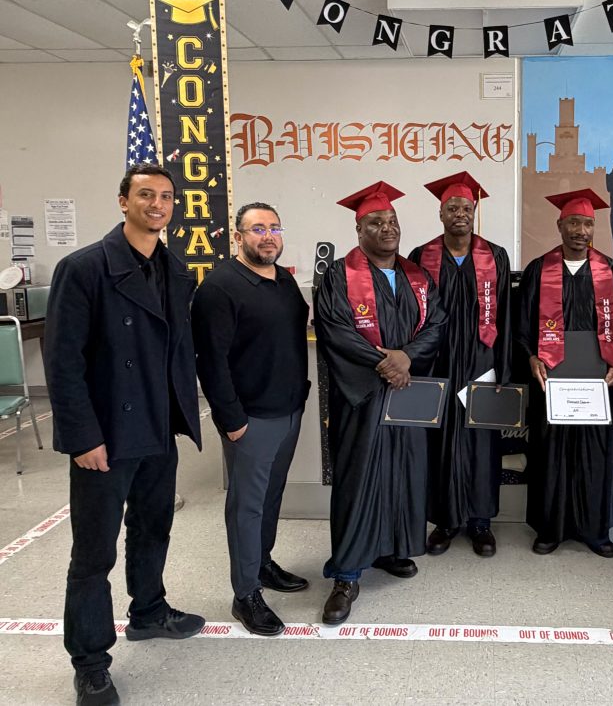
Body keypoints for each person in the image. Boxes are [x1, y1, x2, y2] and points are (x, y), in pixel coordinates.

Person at [45, 163, 205, 706]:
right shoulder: (85, 268)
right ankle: (90, 661)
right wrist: (82, 437)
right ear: (122, 201)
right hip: (107, 434)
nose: (157, 204)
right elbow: (62, 363)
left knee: (153, 526)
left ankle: (149, 610)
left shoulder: (175, 269)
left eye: (166, 196)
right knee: (93, 553)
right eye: (145, 195)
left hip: (159, 428)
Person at [314, 181, 447, 625]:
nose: (387, 228)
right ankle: (347, 573)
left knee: (405, 471)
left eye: (392, 221)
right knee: (359, 478)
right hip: (363, 396)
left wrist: (407, 358)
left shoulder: (418, 277)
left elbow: (437, 325)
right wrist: (382, 363)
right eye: (376, 222)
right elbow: (335, 330)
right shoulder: (338, 275)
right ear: (359, 229)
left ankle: (390, 548)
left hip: (406, 391)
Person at [192, 202, 311, 637]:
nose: (268, 236)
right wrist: (233, 420)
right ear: (237, 237)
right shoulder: (219, 288)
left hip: (289, 410)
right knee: (246, 506)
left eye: (274, 228)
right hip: (251, 419)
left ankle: (261, 563)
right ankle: (245, 594)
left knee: (271, 495)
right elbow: (211, 361)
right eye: (257, 228)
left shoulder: (283, 280)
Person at [516, 188, 613, 557]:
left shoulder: (610, 270)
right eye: (574, 223)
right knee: (551, 451)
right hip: (552, 378)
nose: (581, 230)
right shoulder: (539, 269)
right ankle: (550, 528)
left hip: (597, 381)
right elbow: (523, 324)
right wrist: (531, 356)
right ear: (560, 225)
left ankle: (595, 530)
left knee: (595, 452)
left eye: (587, 224)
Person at [409, 172, 511, 557]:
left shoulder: (495, 255)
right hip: (438, 363)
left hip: (482, 360)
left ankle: (481, 521)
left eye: (466, 208)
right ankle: (445, 520)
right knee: (440, 441)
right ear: (440, 213)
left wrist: (503, 367)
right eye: (452, 208)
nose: (460, 215)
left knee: (481, 441)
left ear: (474, 212)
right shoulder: (422, 256)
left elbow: (506, 316)